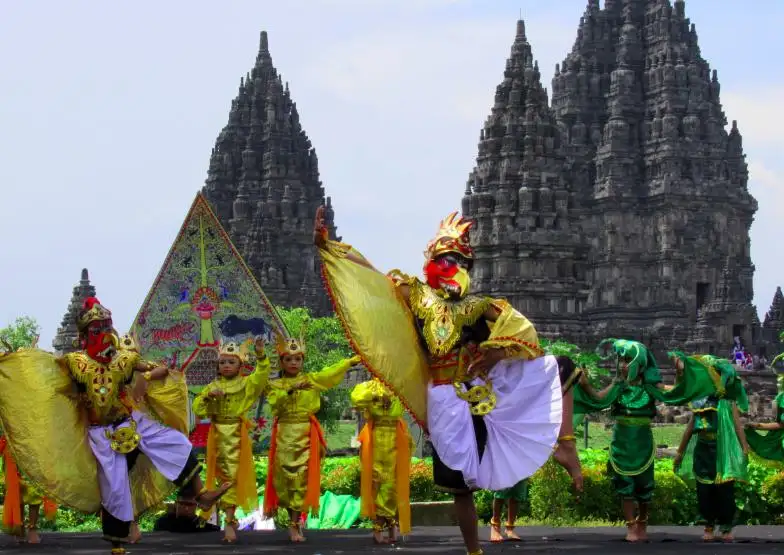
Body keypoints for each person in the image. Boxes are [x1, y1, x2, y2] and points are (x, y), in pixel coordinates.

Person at [315, 208, 563, 555]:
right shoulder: (417, 295)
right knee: (457, 485)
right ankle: (473, 547)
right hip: (439, 399)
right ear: (431, 259)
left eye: (461, 260)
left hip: (467, 397)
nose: (454, 266)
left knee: (465, 485)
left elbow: (520, 327)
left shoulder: (476, 306)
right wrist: (332, 248)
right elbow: (372, 279)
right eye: (446, 258)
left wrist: (496, 352)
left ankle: (475, 549)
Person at [0, 297, 231, 555]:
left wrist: (146, 376)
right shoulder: (74, 362)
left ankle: (201, 494)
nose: (103, 335)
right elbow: (44, 373)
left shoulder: (124, 360)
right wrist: (11, 365)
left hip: (131, 421)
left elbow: (161, 369)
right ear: (85, 335)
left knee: (176, 443)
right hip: (101, 433)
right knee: (115, 488)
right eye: (96, 330)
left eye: (107, 328)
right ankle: (117, 544)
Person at [574, 339, 717, 543]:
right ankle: (631, 525)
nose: (623, 365)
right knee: (624, 483)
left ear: (640, 364)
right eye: (621, 360)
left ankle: (643, 520)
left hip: (642, 441)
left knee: (644, 484)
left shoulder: (650, 387)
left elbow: (673, 394)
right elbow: (599, 400)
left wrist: (681, 374)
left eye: (628, 360)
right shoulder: (618, 386)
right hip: (621, 441)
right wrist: (586, 386)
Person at [262, 327, 360, 543]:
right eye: (289, 359)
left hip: (306, 434)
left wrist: (348, 363)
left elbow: (329, 374)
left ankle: (296, 524)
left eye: (298, 359)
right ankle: (290, 519)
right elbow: (275, 405)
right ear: (282, 362)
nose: (294, 363)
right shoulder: (276, 385)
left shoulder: (311, 380)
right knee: (285, 480)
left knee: (302, 479)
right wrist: (289, 391)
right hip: (285, 435)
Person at [489, 354, 584, 543]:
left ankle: (510, 526)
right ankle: (495, 525)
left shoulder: (530, 380)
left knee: (518, 488)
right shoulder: (507, 375)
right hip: (505, 436)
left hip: (522, 439)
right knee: (502, 488)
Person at [192, 338, 270, 543]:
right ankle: (224, 519)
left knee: (232, 478)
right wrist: (208, 396)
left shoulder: (245, 384)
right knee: (220, 477)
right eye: (223, 362)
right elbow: (198, 408)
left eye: (231, 362)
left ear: (240, 365)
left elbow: (261, 377)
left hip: (236, 433)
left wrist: (261, 356)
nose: (226, 366)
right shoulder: (212, 385)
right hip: (216, 434)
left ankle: (229, 521)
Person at [672, 353, 749, 543]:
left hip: (723, 448)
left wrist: (744, 448)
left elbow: (737, 424)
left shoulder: (726, 401)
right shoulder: (699, 400)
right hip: (703, 449)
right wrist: (680, 453)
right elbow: (690, 427)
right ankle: (708, 525)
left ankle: (726, 527)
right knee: (704, 490)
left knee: (725, 490)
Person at [351, 377, 413, 544]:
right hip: (376, 440)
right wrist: (375, 393)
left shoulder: (400, 384)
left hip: (397, 439)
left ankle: (390, 524)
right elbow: (357, 399)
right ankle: (379, 528)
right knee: (378, 484)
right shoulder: (370, 386)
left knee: (393, 485)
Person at [0, 435, 57, 544]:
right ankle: (20, 529)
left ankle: (32, 529)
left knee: (34, 493)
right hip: (14, 447)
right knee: (18, 494)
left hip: (32, 446)